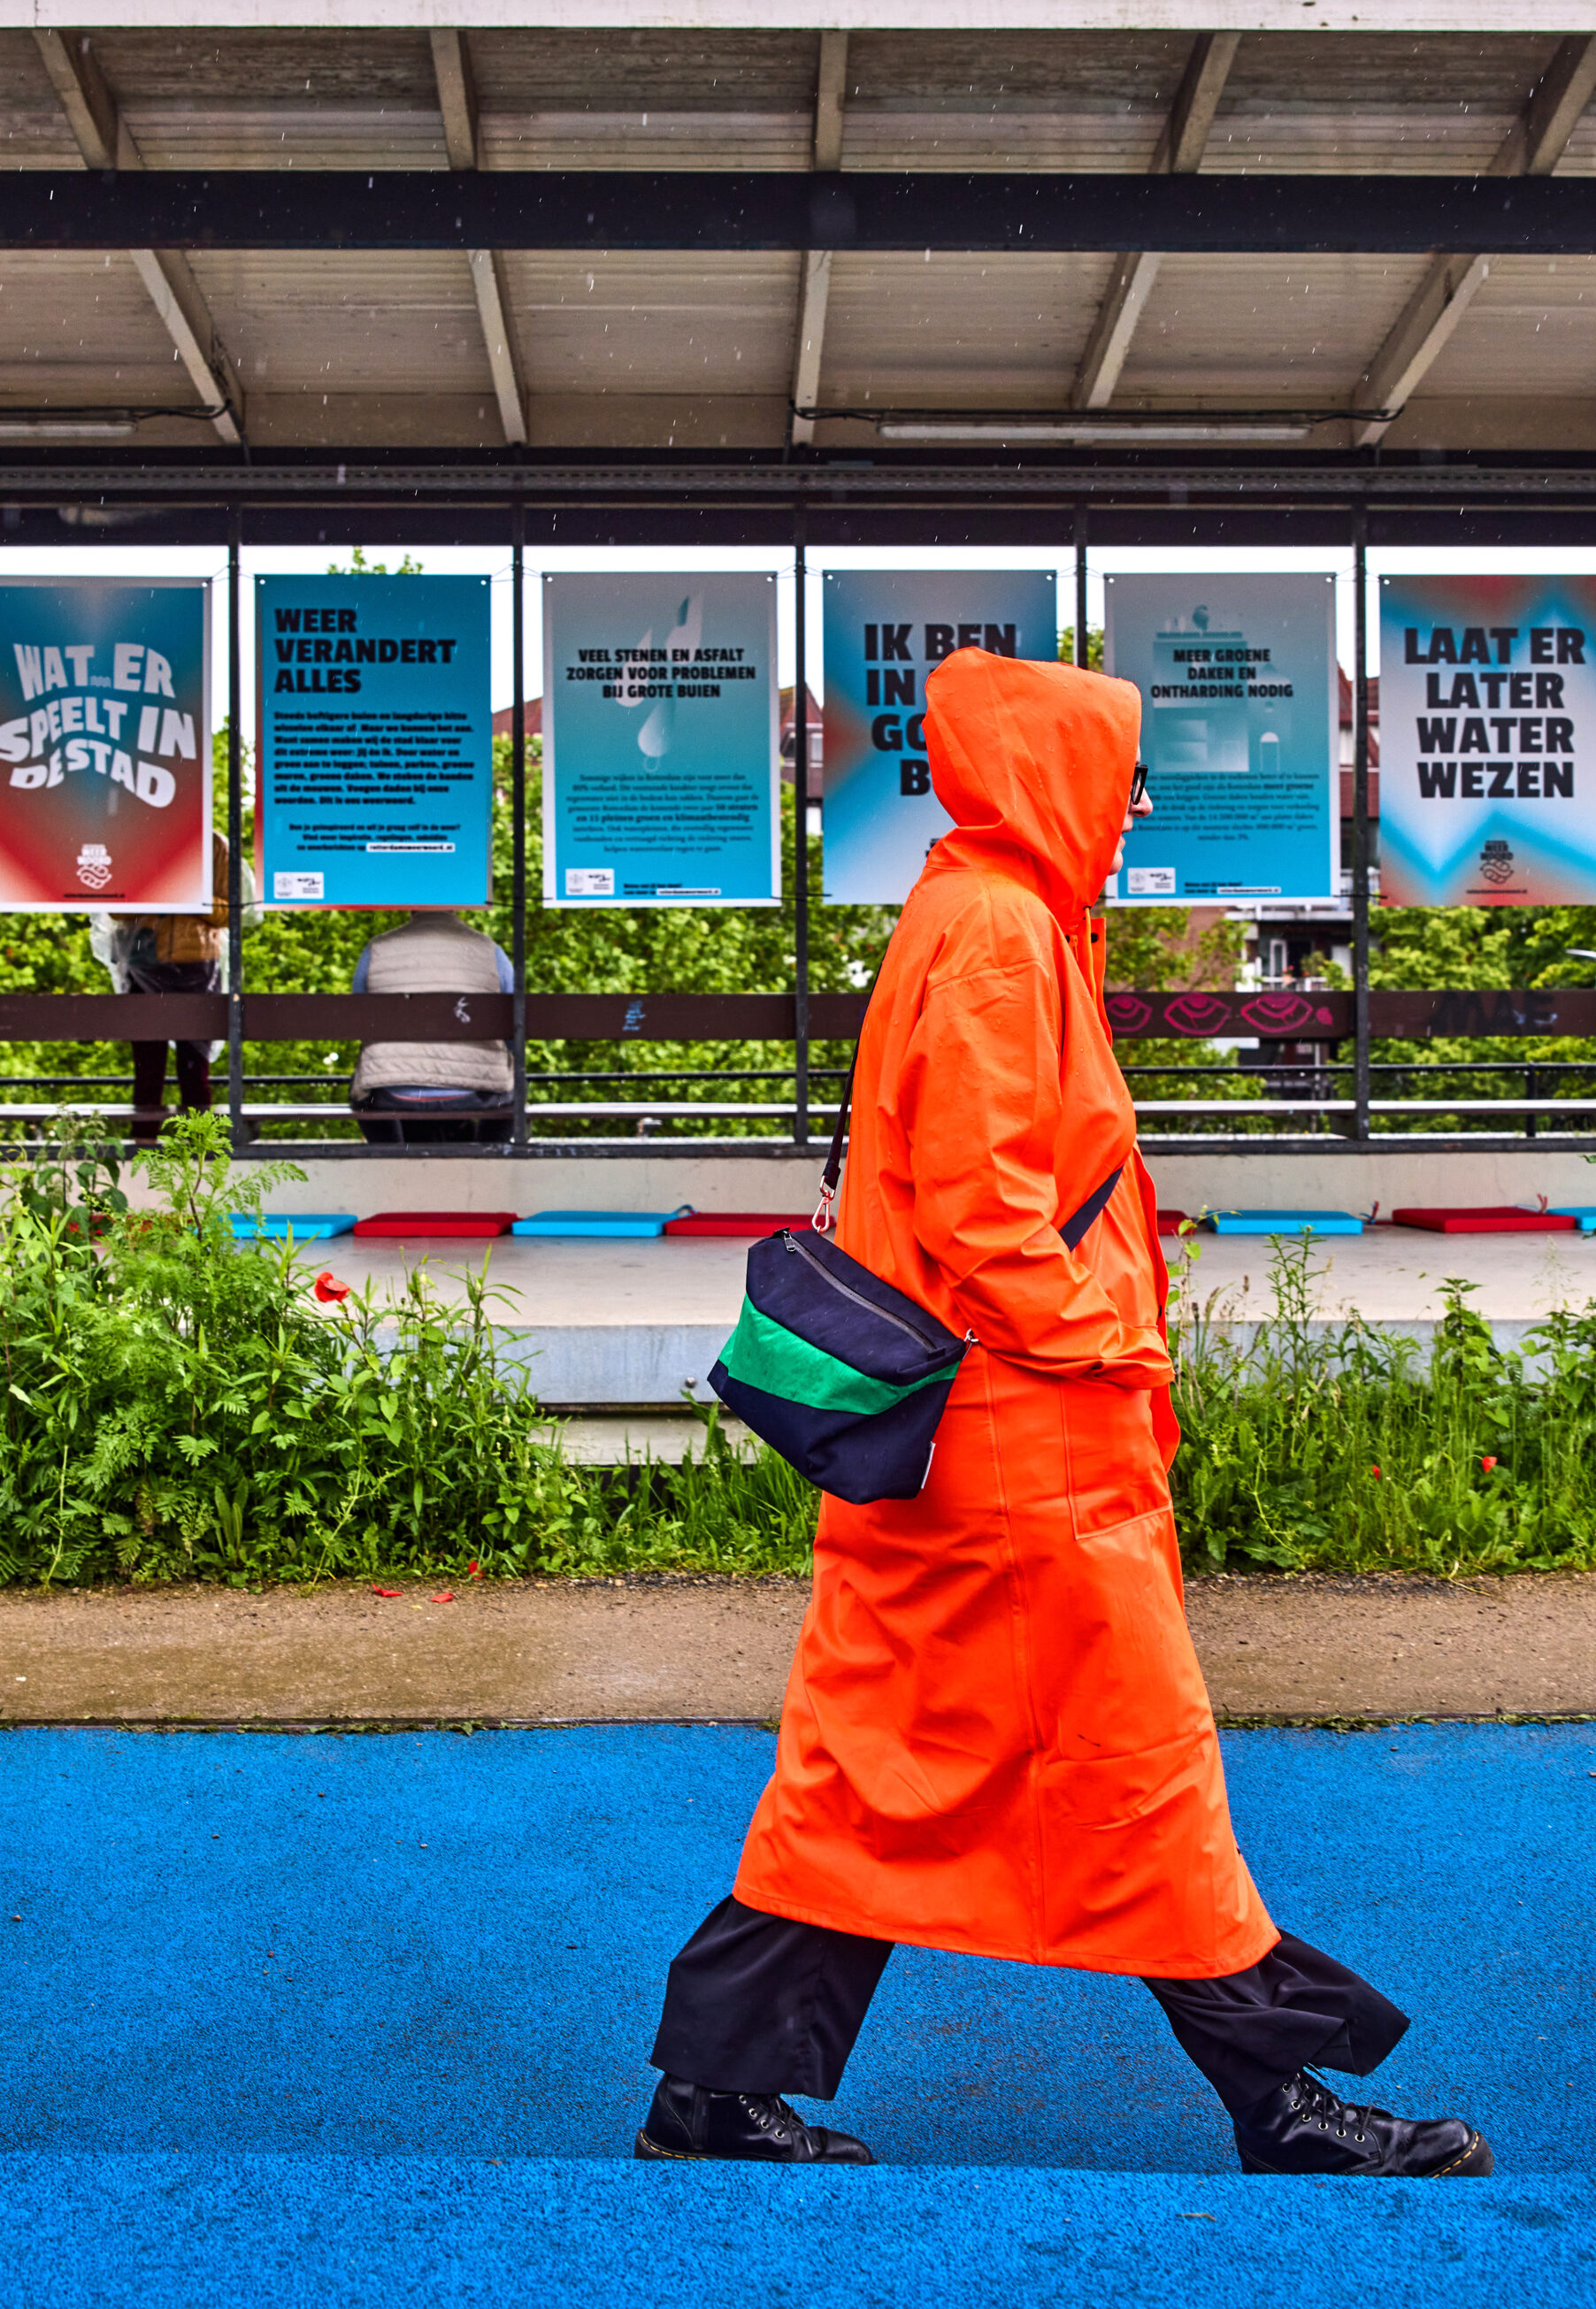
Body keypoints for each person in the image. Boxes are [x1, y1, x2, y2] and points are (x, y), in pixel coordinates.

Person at [636, 649, 1492, 2181]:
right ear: (1052, 772)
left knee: (875, 1776)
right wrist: (1107, 1349)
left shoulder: (984, 914)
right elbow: (987, 1209)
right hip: (1029, 1453)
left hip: (962, 1452)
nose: (1138, 797)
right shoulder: (1004, 935)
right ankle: (1281, 2102)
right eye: (1121, 767)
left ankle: (712, 2092)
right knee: (1140, 1769)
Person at [98, 830, 232, 1147]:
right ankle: (143, 1150)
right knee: (147, 1068)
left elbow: (228, 911)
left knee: (194, 1068)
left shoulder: (214, 844)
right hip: (143, 960)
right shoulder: (141, 833)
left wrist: (189, 892)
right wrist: (157, 886)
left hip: (196, 964)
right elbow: (115, 907)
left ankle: (201, 1153)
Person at [348, 908, 515, 1145]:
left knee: (364, 1093)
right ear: (456, 906)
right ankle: (488, 1155)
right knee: (515, 1088)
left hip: (394, 1093)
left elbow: (361, 1020)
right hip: (476, 1092)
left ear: (412, 906)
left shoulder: (376, 949)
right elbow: (512, 1025)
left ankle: (391, 1155)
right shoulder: (490, 950)